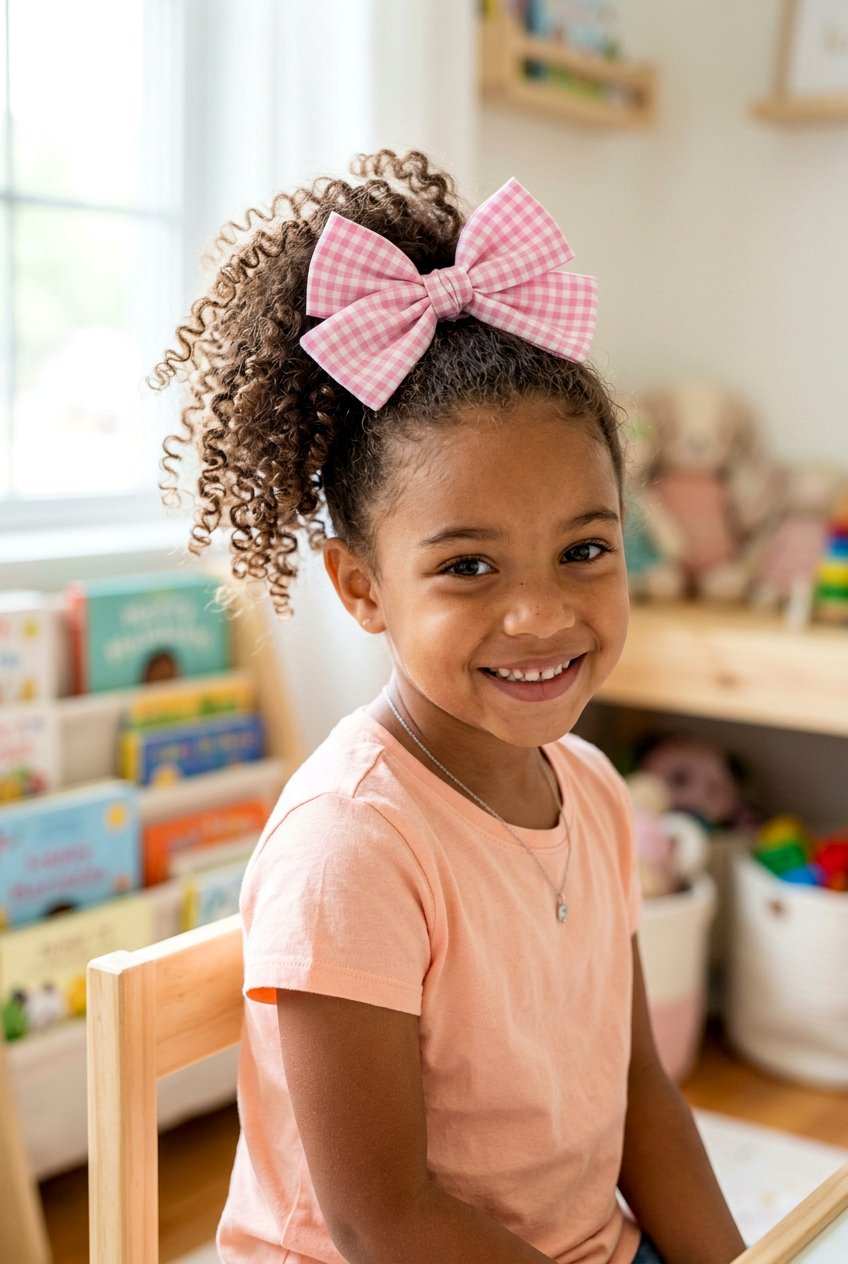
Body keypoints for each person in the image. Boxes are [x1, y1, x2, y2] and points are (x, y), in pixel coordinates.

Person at [153, 150, 746, 1264]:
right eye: (468, 567)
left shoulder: (593, 791)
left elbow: (635, 1090)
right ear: (361, 586)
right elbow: (384, 1220)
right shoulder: (354, 846)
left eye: (583, 550)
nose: (538, 615)